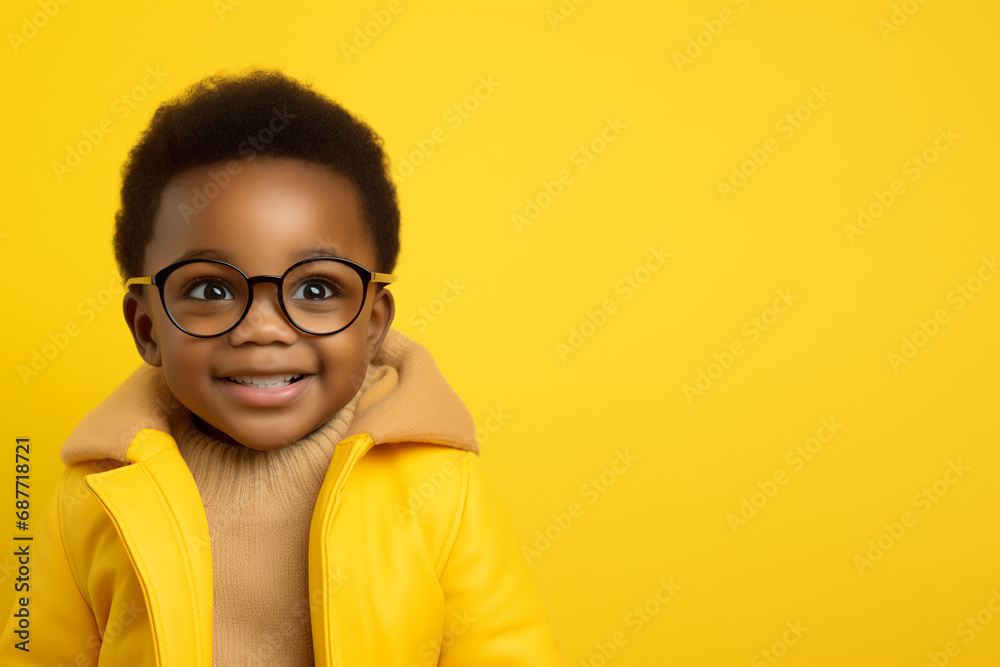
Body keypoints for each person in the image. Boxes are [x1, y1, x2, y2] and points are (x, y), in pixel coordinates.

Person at [0, 67, 564, 666]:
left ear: (374, 323)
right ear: (147, 327)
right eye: (211, 291)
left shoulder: (442, 489)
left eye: (317, 290)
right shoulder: (85, 500)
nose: (263, 328)